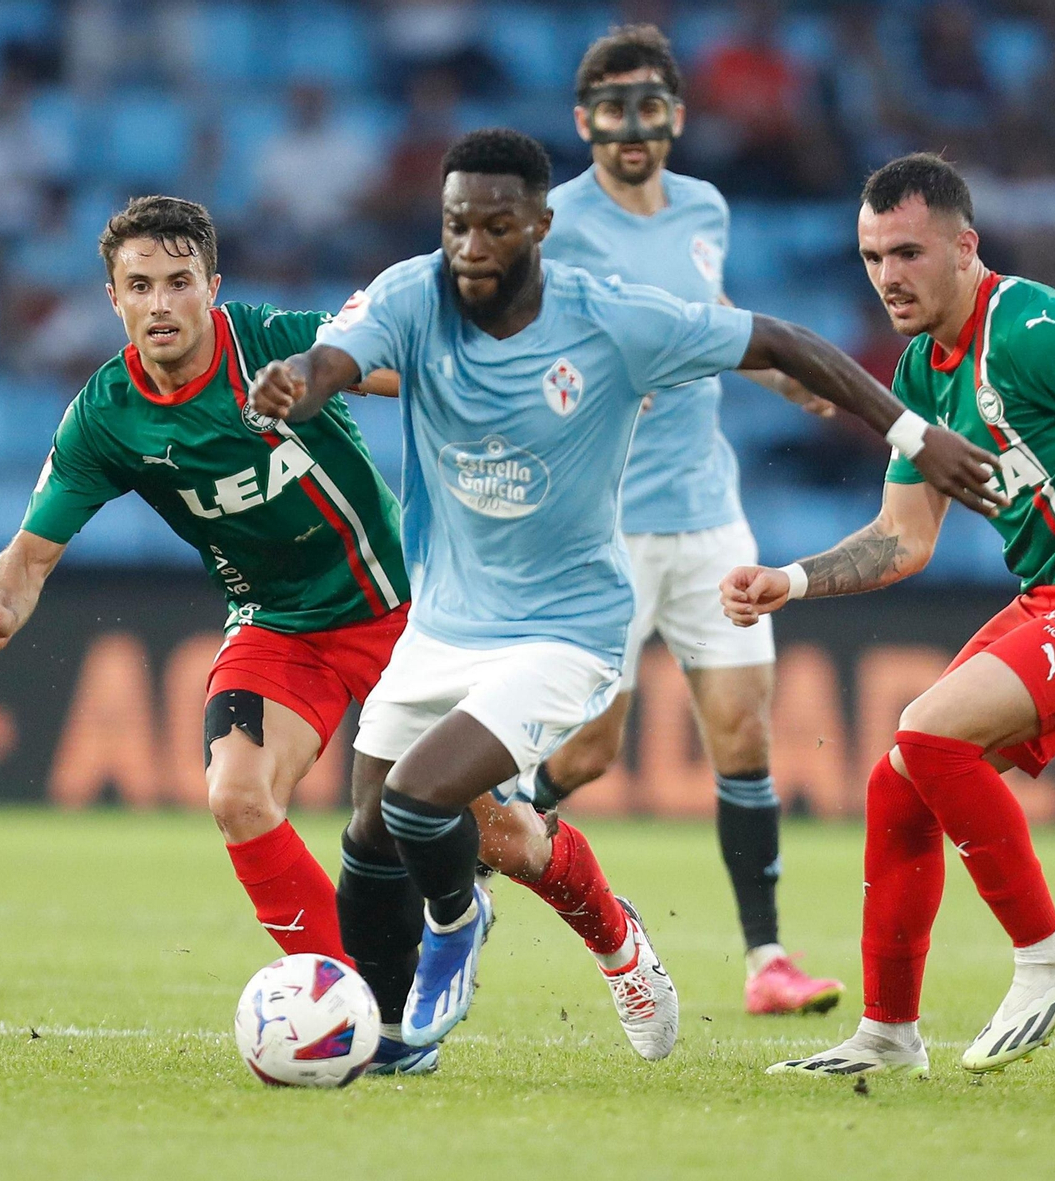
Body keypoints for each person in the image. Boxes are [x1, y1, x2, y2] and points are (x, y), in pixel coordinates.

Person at [248, 130, 1004, 1053]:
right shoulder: (413, 291)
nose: (472, 247)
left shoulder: (613, 317)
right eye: (456, 226)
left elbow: (786, 341)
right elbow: (338, 356)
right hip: (445, 618)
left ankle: (458, 921)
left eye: (495, 225)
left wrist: (914, 437)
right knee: (367, 842)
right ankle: (390, 1034)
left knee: (417, 805)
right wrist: (299, 383)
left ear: (541, 224)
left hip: (564, 628)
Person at [0, 195, 673, 1075]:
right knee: (237, 794)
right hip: (278, 626)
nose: (162, 304)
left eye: (180, 282)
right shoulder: (106, 416)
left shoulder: (275, 348)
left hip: (409, 614)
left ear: (213, 287)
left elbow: (417, 367)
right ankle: (364, 1010)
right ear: (113, 298)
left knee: (499, 837)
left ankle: (620, 946)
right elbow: (26, 561)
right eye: (140, 286)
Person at [720, 154, 1055, 1077]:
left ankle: (1048, 953)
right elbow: (904, 539)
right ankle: (888, 1033)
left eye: (907, 252)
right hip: (1053, 598)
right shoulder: (917, 369)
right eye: (871, 257)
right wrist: (790, 580)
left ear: (965, 246)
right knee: (897, 780)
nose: (887, 277)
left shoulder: (1031, 327)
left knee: (930, 731)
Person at [534, 23, 844, 1016]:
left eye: (651, 107)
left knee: (743, 732)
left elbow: (705, 315)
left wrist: (776, 369)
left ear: (677, 115)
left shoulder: (705, 208)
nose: (633, 128)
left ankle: (766, 961)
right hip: (605, 522)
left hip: (708, 512)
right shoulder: (554, 220)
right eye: (613, 109)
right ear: (584, 120)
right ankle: (478, 841)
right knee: (587, 752)